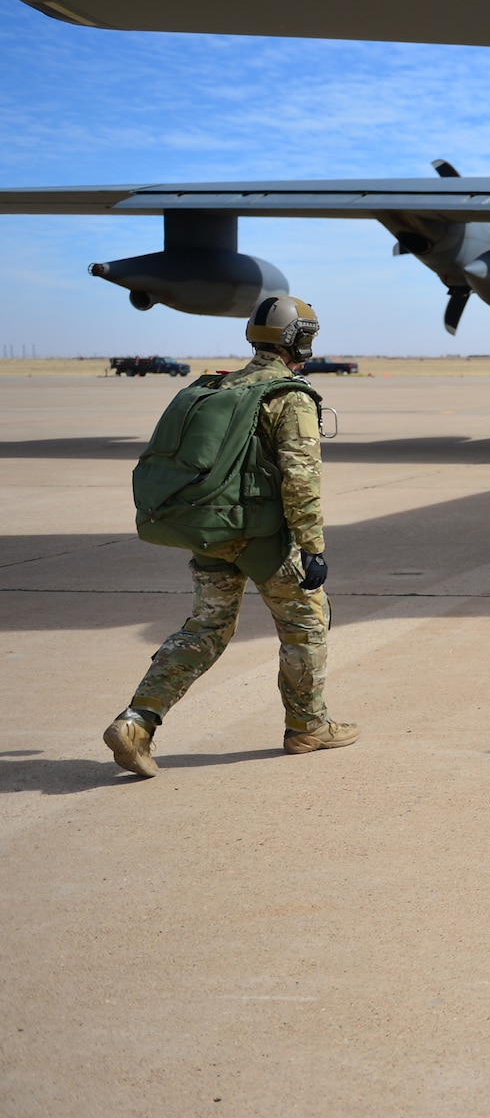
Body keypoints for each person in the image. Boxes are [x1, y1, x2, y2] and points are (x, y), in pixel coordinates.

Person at [103, 295, 355, 779]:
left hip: (212, 532)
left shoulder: (221, 385)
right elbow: (301, 478)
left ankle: (137, 722)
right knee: (307, 623)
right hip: (263, 539)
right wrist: (312, 547)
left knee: (204, 630)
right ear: (299, 339)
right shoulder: (288, 395)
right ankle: (307, 726)